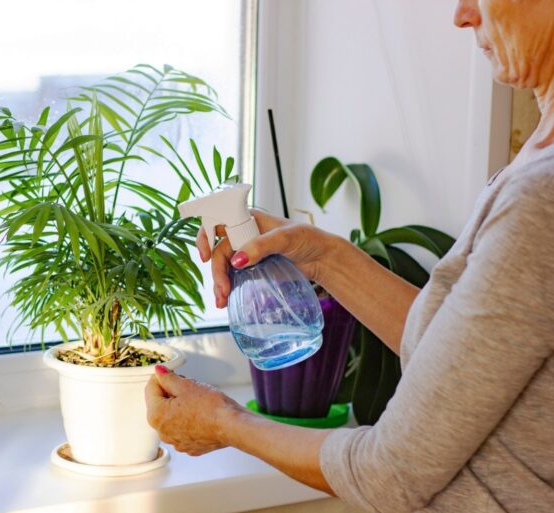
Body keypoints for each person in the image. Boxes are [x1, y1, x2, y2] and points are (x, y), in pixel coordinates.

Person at [144, 1, 554, 511]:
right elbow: (456, 360)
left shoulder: (542, 196)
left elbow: (392, 472)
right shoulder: (535, 162)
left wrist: (224, 422)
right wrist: (316, 254)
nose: (462, 14)